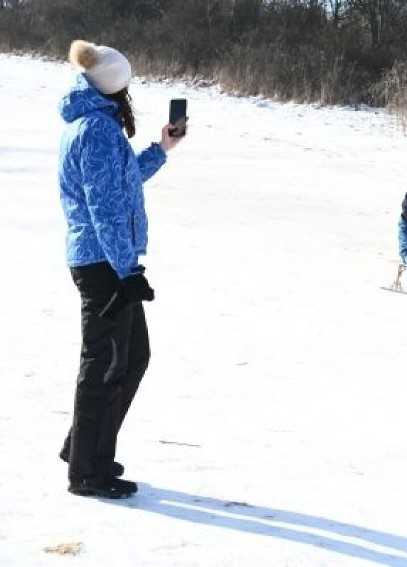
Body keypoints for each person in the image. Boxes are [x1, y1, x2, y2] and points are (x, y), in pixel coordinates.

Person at [57, 40, 185, 498]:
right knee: (106, 365)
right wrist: (128, 272)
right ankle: (87, 470)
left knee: (130, 357)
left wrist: (162, 149)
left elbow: (122, 176)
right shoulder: (94, 130)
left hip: (107, 261)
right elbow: (105, 208)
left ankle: (84, 448)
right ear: (114, 87)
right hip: (103, 264)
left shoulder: (98, 126)